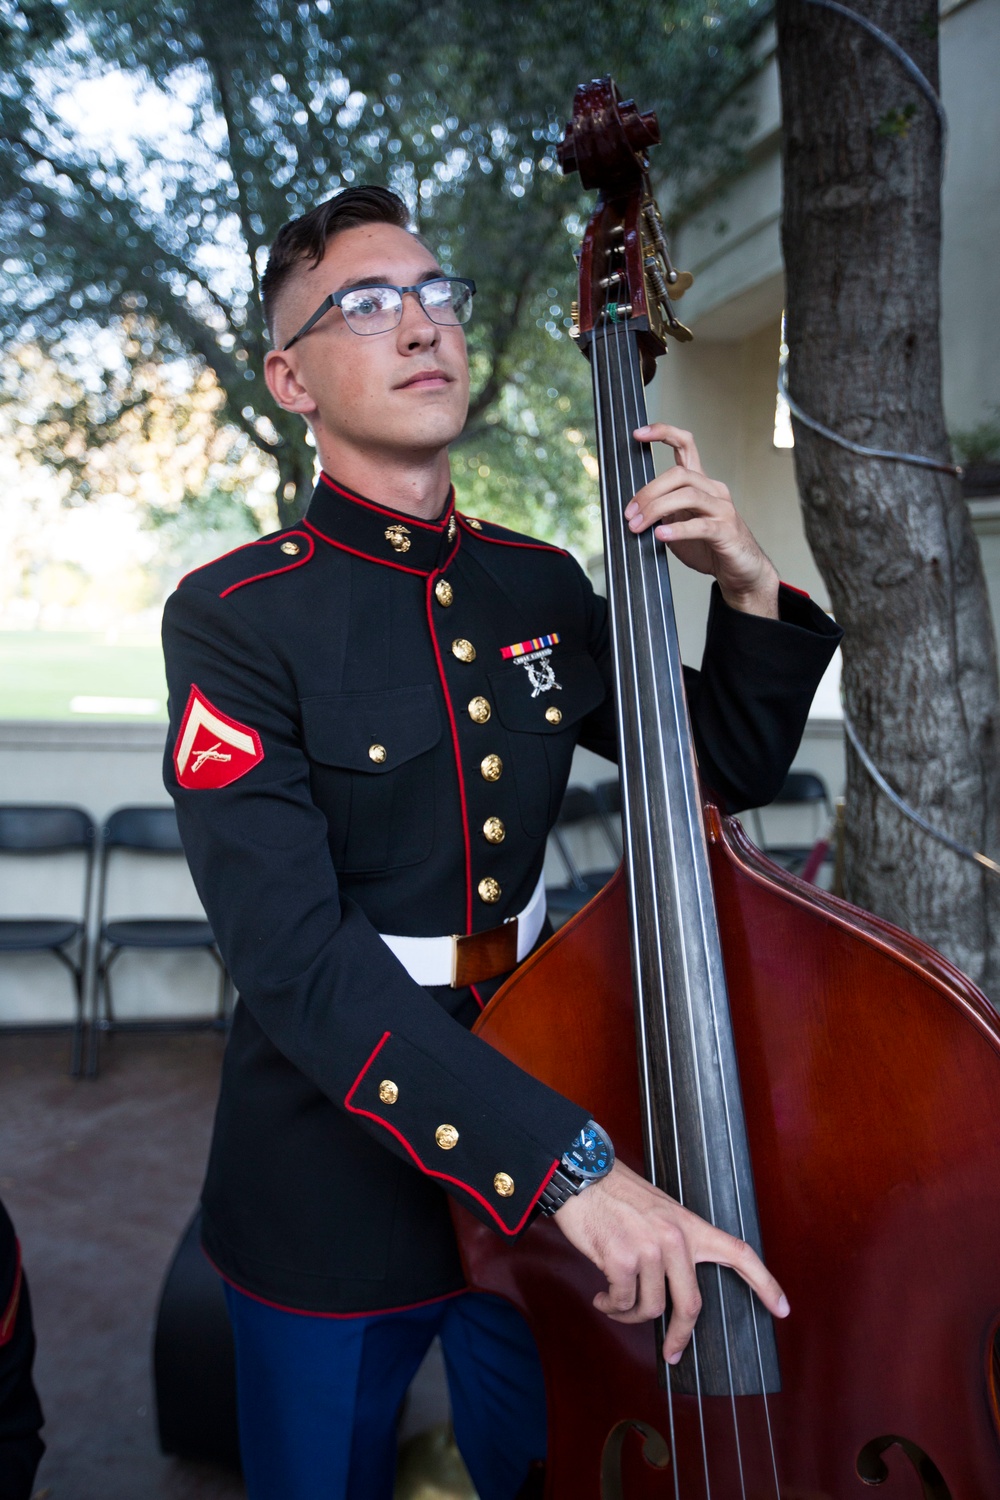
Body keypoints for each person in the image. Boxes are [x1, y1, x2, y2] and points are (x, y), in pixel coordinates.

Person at [161, 184, 841, 1500]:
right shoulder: (238, 617)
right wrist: (567, 1162)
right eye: (366, 304)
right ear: (289, 378)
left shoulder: (533, 582)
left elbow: (719, 769)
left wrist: (755, 587)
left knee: (545, 1465)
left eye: (435, 294)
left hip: (541, 1067)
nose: (419, 325)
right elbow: (293, 956)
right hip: (329, 1154)